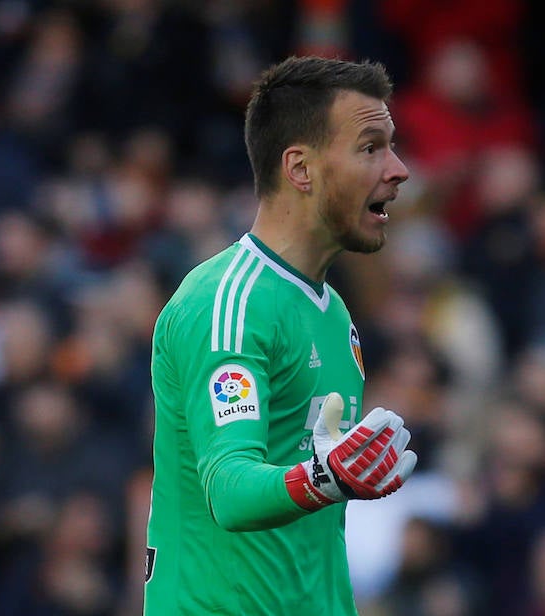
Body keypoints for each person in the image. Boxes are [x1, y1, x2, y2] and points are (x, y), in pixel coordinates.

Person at [144, 56, 418, 615]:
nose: (398, 168)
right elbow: (230, 488)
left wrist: (328, 479)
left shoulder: (334, 313)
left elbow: (313, 521)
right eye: (370, 147)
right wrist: (323, 477)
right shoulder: (229, 303)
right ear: (301, 168)